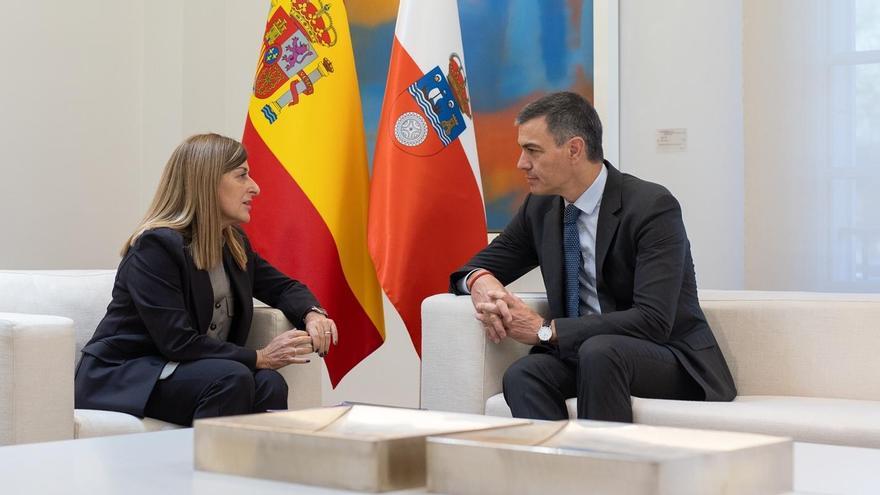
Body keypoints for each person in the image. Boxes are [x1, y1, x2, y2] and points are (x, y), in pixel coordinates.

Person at [450, 92, 736, 422]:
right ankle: (557, 470)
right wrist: (480, 281)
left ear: (574, 149)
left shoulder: (651, 206)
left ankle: (606, 469)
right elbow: (474, 267)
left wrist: (547, 331)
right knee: (524, 374)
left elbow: (653, 320)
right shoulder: (541, 208)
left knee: (600, 352)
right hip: (588, 354)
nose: (521, 163)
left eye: (532, 150)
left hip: (670, 357)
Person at [74, 133, 338, 426]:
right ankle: (204, 472)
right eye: (242, 176)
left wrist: (312, 314)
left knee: (269, 383)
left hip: (187, 369)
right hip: (127, 372)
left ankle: (257, 473)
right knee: (232, 377)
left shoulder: (233, 243)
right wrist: (260, 356)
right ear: (207, 182)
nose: (255, 188)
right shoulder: (155, 247)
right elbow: (177, 341)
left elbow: (283, 287)